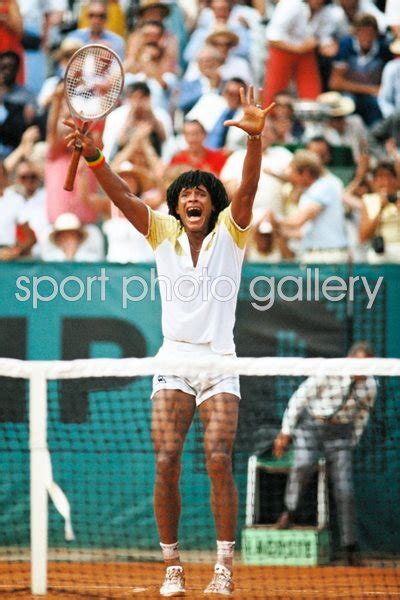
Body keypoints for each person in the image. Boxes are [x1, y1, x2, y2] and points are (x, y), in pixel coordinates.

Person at [64, 85, 274, 597]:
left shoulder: (233, 229)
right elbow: (122, 195)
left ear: (213, 202)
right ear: (177, 205)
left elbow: (246, 188)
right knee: (164, 460)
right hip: (174, 360)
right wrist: (93, 155)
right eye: (185, 193)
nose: (193, 197)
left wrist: (254, 142)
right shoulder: (161, 232)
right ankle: (173, 565)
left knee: (219, 458)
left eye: (202, 192)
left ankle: (223, 565)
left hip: (220, 361)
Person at [273, 341, 377, 566]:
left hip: (342, 433)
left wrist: (352, 440)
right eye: (360, 366)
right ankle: (289, 511)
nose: (363, 372)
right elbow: (299, 398)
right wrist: (285, 432)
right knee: (303, 464)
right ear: (349, 361)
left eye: (368, 367)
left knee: (345, 488)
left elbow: (362, 417)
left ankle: (351, 547)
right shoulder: (328, 373)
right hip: (311, 426)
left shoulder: (370, 386)